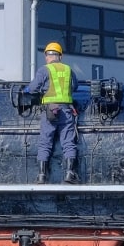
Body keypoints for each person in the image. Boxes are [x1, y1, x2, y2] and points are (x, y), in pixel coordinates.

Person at [30, 41, 79, 183]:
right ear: (60, 56)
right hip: (67, 111)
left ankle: (41, 176)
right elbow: (74, 87)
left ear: (47, 56)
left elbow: (33, 88)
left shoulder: (44, 70)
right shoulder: (69, 70)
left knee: (45, 142)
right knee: (69, 142)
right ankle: (70, 173)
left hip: (50, 111)